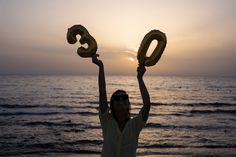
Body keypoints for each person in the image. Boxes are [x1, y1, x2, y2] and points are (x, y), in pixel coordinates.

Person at [92, 54, 151, 157]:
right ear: (112, 105)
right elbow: (102, 92)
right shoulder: (106, 121)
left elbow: (147, 105)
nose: (121, 100)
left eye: (124, 97)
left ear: (128, 103)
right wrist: (101, 66)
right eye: (117, 98)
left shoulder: (135, 125)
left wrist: (140, 78)